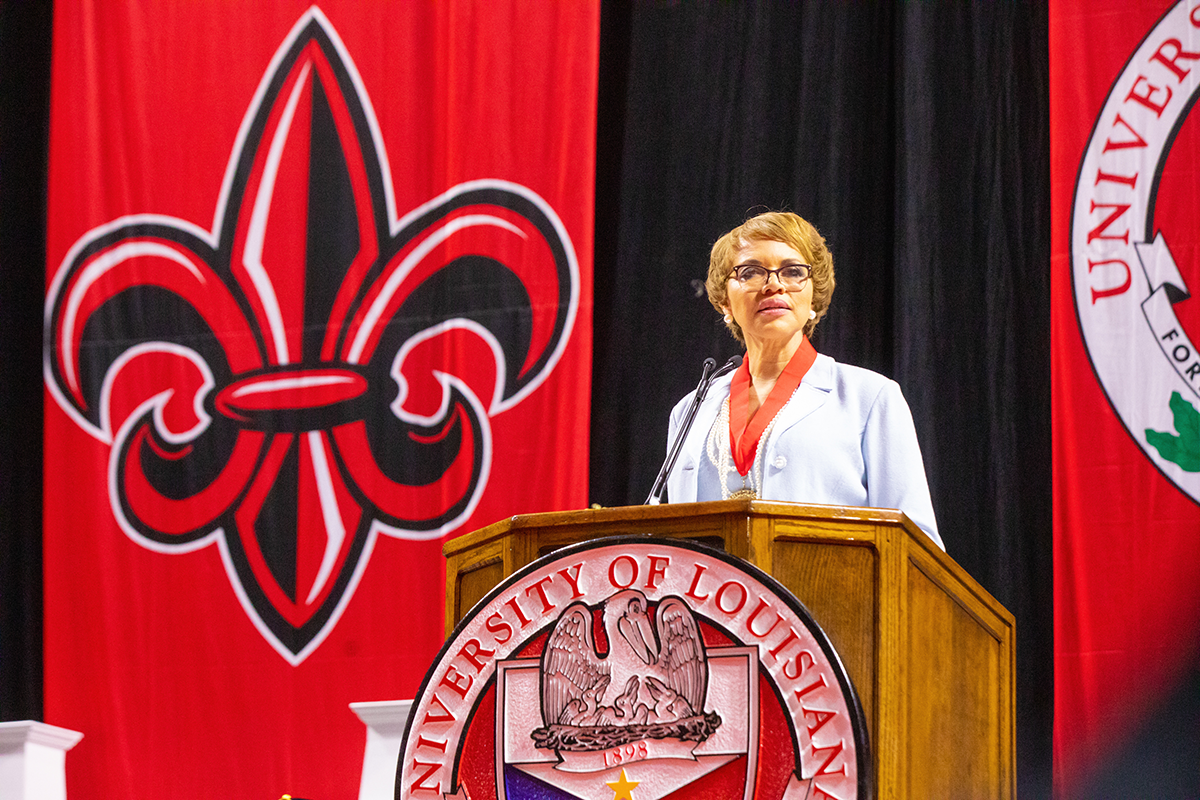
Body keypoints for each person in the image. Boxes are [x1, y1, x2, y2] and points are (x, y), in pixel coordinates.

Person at [666, 211, 942, 549]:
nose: (774, 284)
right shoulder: (689, 412)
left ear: (814, 297)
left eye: (793, 271)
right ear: (725, 300)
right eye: (750, 272)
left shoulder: (870, 399)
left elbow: (917, 546)